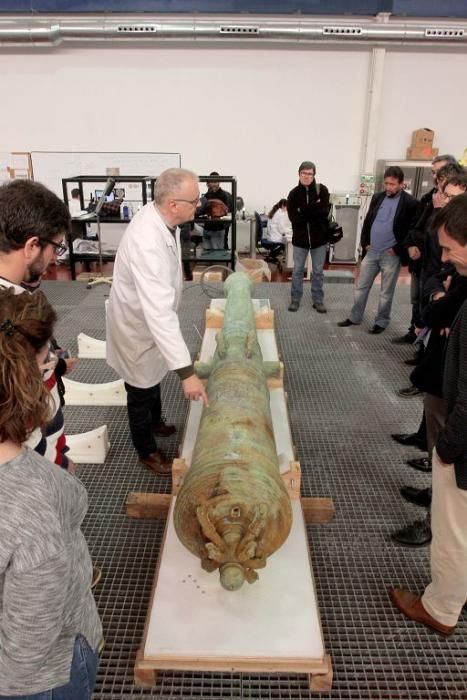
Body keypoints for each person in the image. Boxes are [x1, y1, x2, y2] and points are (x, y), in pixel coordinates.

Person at [0, 287, 102, 699]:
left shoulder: (32, 508)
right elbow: (25, 649)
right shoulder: (33, 505)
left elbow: (25, 647)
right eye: (47, 363)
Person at [389, 193, 467, 636]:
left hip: (464, 450)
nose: (447, 257)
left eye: (452, 247)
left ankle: (439, 608)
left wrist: (448, 452)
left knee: (453, 531)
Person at [106, 168, 209, 476]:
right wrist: (188, 374)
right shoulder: (147, 241)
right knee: (140, 389)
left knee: (153, 378)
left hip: (150, 320)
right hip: (137, 326)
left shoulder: (165, 221)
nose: (199, 204)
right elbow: (159, 314)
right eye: (195, 200)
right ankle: (146, 450)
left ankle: (156, 421)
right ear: (174, 204)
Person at [338, 166, 418, 333]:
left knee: (386, 292)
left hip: (391, 255)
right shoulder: (377, 197)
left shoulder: (410, 203)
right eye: (386, 183)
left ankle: (381, 322)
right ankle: (355, 317)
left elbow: (412, 230)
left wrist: (398, 249)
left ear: (401, 184)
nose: (388, 187)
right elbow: (368, 221)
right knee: (361, 286)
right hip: (372, 252)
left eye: (393, 184)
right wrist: (365, 243)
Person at [287, 161, 330, 313]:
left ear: (314, 175)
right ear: (299, 174)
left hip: (319, 240)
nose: (306, 176)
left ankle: (318, 300)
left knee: (318, 271)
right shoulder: (293, 194)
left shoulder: (322, 190)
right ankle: (295, 299)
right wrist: (313, 209)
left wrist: (303, 210)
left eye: (310, 173)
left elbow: (323, 212)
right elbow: (294, 218)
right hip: (300, 240)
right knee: (298, 270)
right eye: (304, 173)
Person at [200, 172, 233, 251]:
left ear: (219, 182)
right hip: (207, 228)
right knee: (208, 253)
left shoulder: (225, 196)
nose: (213, 184)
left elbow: (229, 213)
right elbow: (203, 210)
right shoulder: (207, 195)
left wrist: (224, 226)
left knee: (217, 252)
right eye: (211, 182)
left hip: (218, 229)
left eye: (215, 182)